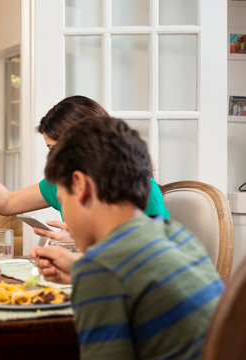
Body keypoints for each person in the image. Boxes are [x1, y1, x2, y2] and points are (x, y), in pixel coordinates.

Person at [32, 115, 223, 359]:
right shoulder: (175, 234)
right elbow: (138, 275)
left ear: (80, 186)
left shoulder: (101, 272)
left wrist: (89, 271)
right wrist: (80, 268)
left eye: (61, 199)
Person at [0, 95, 169, 243]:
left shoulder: (141, 189)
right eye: (50, 149)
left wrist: (80, 243)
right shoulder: (65, 184)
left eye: (56, 148)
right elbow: (7, 203)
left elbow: (152, 254)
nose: (54, 158)